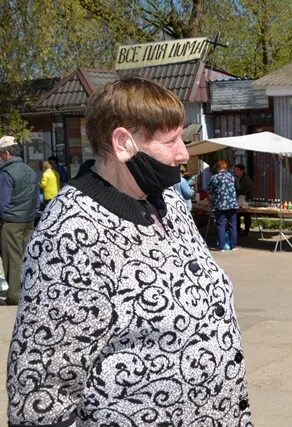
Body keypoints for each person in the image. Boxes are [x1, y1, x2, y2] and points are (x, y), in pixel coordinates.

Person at [6, 77, 252, 426]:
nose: (183, 153)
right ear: (123, 143)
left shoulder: (167, 202)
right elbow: (41, 395)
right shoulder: (71, 233)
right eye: (170, 141)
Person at [0, 135, 38, 305]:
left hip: (11, 222)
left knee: (12, 258)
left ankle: (15, 295)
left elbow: (3, 202)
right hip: (29, 220)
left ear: (6, 153)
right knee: (26, 256)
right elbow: (37, 198)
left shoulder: (6, 173)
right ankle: (29, 291)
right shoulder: (29, 170)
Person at [209, 159, 239, 251]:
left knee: (221, 225)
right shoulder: (232, 177)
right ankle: (233, 246)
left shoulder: (215, 177)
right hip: (232, 204)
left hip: (220, 204)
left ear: (218, 167)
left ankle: (221, 246)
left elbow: (209, 190)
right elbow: (237, 188)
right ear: (226, 167)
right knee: (232, 225)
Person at [234, 163, 253, 236]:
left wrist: (246, 198)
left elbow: (249, 190)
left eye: (237, 170)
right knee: (237, 214)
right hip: (240, 200)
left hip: (246, 200)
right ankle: (238, 230)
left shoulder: (246, 179)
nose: (235, 171)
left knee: (246, 215)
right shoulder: (237, 178)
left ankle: (246, 231)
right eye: (235, 170)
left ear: (242, 170)